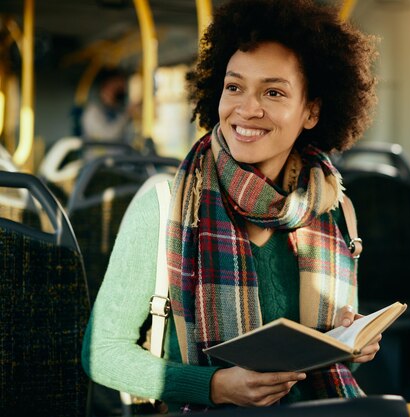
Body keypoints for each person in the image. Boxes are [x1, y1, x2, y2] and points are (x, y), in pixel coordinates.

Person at [81, 0, 379, 411]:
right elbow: (102, 353)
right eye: (234, 87)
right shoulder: (164, 205)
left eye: (273, 92)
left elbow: (323, 374)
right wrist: (215, 386)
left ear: (311, 111)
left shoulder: (335, 211)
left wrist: (351, 348)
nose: (247, 108)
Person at [80, 67, 137, 144]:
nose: (117, 93)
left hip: (120, 153)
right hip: (101, 155)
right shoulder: (91, 112)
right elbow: (107, 137)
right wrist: (127, 116)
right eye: (114, 87)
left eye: (121, 89)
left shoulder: (118, 108)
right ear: (104, 88)